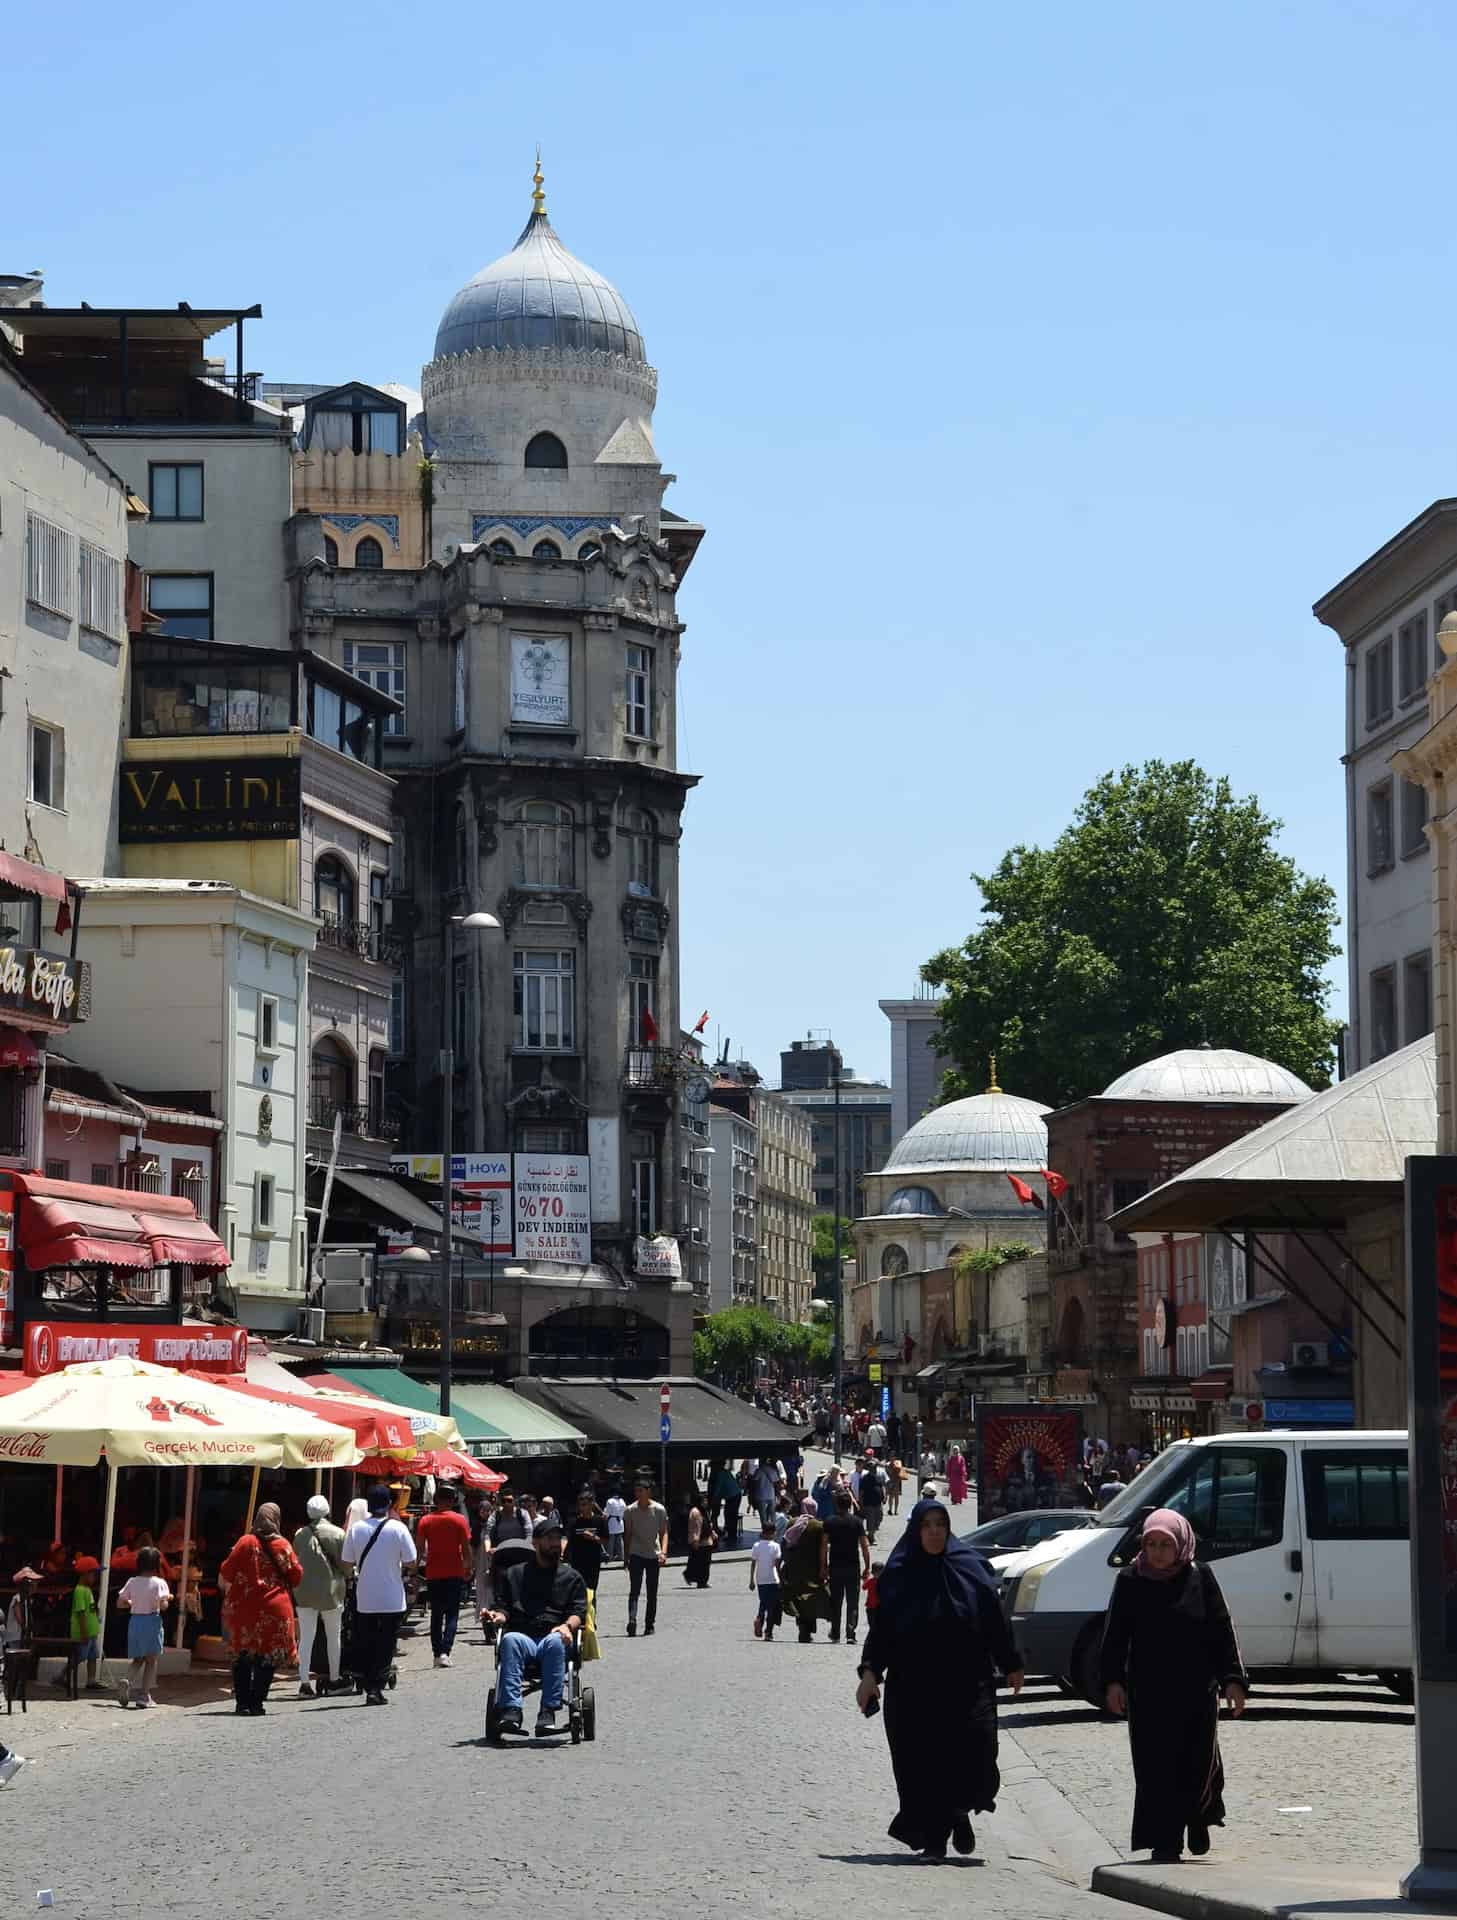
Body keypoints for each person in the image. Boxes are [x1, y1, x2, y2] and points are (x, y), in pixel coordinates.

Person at [856, 1498, 1025, 1860]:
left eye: (940, 1524)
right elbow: (882, 1632)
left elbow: (995, 1620)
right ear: (916, 1530)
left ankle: (959, 1812)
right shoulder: (899, 1575)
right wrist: (870, 1674)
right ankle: (935, 1839)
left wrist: (1011, 1662)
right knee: (922, 1764)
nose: (934, 1531)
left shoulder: (971, 1569)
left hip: (968, 1684)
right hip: (914, 1688)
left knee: (976, 1755)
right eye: (927, 1525)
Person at [1100, 1509, 1248, 1863]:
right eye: (1151, 1544)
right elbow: (1115, 1637)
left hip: (1197, 1689)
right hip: (1148, 1691)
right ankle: (1164, 1839)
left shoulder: (1201, 1576)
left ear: (1181, 1544)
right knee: (1155, 1766)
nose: (1158, 1552)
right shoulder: (1131, 1580)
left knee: (1197, 1761)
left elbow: (1221, 1629)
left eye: (1166, 1544)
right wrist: (1112, 1682)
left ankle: (1198, 1817)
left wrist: (1233, 1680)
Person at [486, 1515, 587, 1737]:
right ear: (536, 1543)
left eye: (558, 1538)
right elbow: (503, 1606)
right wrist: (498, 1616)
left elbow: (579, 1612)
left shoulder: (572, 1577)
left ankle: (547, 1712)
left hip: (556, 1636)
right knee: (510, 1640)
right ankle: (512, 1711)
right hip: (524, 1637)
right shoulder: (515, 1574)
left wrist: (567, 1627)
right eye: (549, 1538)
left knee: (554, 1641)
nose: (555, 1543)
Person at [219, 1504, 302, 1717]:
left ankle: (242, 1703)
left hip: (243, 1609)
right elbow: (296, 1577)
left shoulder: (245, 1542)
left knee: (242, 1656)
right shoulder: (283, 1545)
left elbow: (227, 1571)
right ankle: (257, 1702)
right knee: (268, 1657)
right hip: (274, 1611)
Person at [342, 1483, 417, 1706]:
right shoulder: (398, 1528)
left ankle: (368, 1684)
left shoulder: (356, 1529)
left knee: (366, 1642)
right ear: (389, 1504)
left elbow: (346, 1563)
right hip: (392, 1598)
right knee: (386, 1644)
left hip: (365, 1597)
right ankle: (376, 1688)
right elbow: (412, 1562)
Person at [292, 1495, 347, 1697]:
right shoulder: (338, 1533)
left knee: (306, 1638)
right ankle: (334, 1680)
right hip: (331, 1592)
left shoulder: (299, 1534)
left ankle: (304, 1684)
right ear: (327, 1510)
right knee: (334, 1636)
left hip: (304, 1592)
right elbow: (346, 1564)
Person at [416, 1485, 474, 1669]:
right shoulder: (460, 1520)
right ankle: (445, 1651)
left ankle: (436, 1653)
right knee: (452, 1614)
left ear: (435, 1500)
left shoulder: (425, 1520)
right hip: (454, 1571)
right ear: (454, 1500)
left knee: (436, 1614)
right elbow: (466, 1548)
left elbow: (418, 1549)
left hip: (433, 1572)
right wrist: (469, 1567)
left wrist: (414, 1569)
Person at [117, 1545, 173, 1711]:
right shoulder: (159, 1583)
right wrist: (167, 1599)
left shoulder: (132, 1582)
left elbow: (120, 1603)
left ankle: (127, 1679)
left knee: (138, 1658)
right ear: (156, 1564)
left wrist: (131, 1603)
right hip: (151, 1622)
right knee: (151, 1660)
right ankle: (144, 1695)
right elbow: (163, 1606)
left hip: (135, 1622)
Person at [821, 1490, 870, 1645]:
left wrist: (823, 1566)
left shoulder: (829, 1522)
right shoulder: (857, 1522)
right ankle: (850, 1633)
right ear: (850, 1505)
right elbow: (864, 1545)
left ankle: (835, 1633)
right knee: (853, 1601)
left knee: (835, 1600)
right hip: (852, 1566)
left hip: (835, 1566)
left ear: (837, 1504)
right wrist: (867, 1566)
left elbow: (823, 1546)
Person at [779, 1497, 830, 1644]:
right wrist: (824, 1568)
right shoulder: (819, 1526)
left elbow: (785, 1545)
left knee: (798, 1599)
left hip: (794, 1569)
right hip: (812, 1570)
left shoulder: (792, 1522)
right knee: (811, 1599)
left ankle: (802, 1629)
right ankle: (808, 1631)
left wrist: (785, 1564)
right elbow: (823, 1549)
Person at [622, 1482, 668, 1637]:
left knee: (652, 1591)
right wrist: (626, 1556)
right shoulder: (630, 1510)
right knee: (634, 1589)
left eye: (641, 1491)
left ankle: (649, 1624)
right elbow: (627, 1534)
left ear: (648, 1492)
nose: (638, 1494)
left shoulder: (659, 1510)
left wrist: (663, 1552)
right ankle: (632, 1620)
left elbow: (664, 1533)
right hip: (636, 1554)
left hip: (653, 1555)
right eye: (636, 1491)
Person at [66, 1554, 103, 1692]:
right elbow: (80, 1613)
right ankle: (63, 1676)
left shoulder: (88, 1590)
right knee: (80, 1656)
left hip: (91, 1631)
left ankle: (91, 1680)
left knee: (93, 1656)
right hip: (84, 1632)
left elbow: (90, 1609)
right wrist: (84, 1632)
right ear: (86, 1574)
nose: (95, 1577)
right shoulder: (80, 1590)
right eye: (94, 1574)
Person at [566, 1492, 608, 1595]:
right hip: (577, 1562)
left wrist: (593, 1537)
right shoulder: (574, 1522)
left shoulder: (599, 1520)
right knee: (578, 1591)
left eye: (584, 1504)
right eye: (580, 1505)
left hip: (593, 1562)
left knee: (591, 1592)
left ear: (591, 1504)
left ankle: (591, 1611)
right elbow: (570, 1541)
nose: (581, 1507)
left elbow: (605, 1540)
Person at [748, 1519, 782, 1641]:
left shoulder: (756, 1545)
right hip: (773, 1579)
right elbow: (777, 1565)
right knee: (772, 1606)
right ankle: (768, 1632)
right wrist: (781, 1580)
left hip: (760, 1579)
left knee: (763, 1602)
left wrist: (751, 1580)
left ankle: (759, 1618)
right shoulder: (776, 1546)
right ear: (773, 1533)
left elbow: (753, 1563)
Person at [683, 1492, 717, 1590]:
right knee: (702, 1563)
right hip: (700, 1541)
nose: (706, 1502)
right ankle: (701, 1581)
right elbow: (696, 1527)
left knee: (702, 1562)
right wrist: (696, 1540)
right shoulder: (696, 1512)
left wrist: (712, 1533)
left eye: (706, 1500)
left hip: (706, 1540)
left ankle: (696, 1578)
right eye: (704, 1501)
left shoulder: (704, 1510)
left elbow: (708, 1523)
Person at [709, 1461, 742, 1549]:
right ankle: (731, 1534)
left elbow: (718, 1487)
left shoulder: (720, 1474)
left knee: (730, 1514)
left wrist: (714, 1498)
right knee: (730, 1514)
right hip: (734, 1495)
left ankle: (731, 1535)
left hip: (733, 1496)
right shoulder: (725, 1471)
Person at [858, 1456, 886, 1544]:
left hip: (878, 1502)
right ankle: (871, 1537)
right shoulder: (864, 1478)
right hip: (868, 1503)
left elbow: (882, 1486)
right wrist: (861, 1502)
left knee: (879, 1517)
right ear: (869, 1469)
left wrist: (885, 1496)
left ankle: (871, 1532)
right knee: (871, 1520)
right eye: (871, 1468)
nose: (873, 1469)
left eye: (874, 1467)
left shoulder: (878, 1477)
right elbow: (861, 1491)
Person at [602, 1488, 627, 1564]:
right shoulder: (622, 1501)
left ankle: (610, 1556)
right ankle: (621, 1555)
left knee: (611, 1540)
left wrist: (604, 1513)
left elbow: (608, 1513)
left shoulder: (609, 1501)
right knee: (619, 1540)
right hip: (620, 1521)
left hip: (612, 1521)